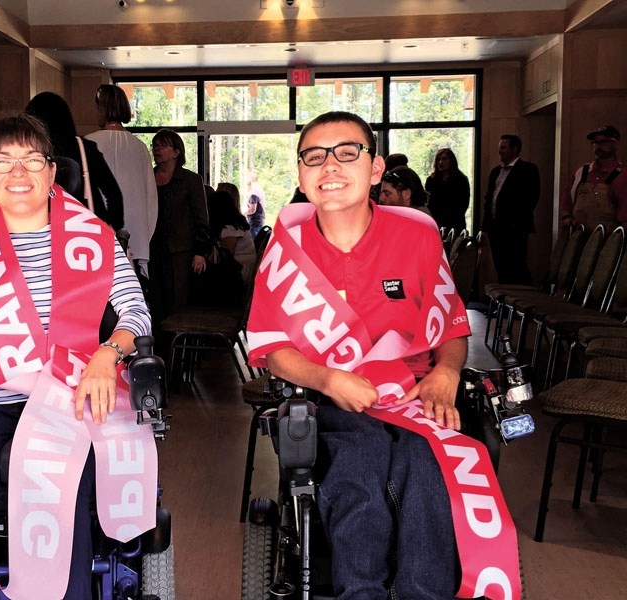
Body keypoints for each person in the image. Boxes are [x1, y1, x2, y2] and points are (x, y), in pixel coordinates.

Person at [247, 111, 518, 599]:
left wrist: (447, 373)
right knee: (361, 459)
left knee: (427, 463)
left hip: (417, 396)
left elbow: (453, 325)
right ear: (302, 176)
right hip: (332, 398)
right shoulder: (285, 248)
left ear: (374, 169)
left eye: (347, 152)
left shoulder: (416, 235)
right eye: (315, 156)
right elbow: (272, 350)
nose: (330, 166)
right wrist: (328, 380)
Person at [0, 114, 152, 599]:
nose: (17, 173)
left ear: (51, 172)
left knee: (64, 487)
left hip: (77, 396)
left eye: (31, 161)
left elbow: (136, 315)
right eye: (3, 161)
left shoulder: (96, 238)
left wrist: (108, 355)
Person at [25, 91, 124, 232]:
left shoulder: (29, 155)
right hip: (89, 231)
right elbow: (113, 193)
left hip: (46, 232)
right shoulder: (85, 148)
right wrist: (112, 227)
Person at [86, 84, 158, 277]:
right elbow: (151, 198)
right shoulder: (140, 147)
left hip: (96, 229)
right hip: (136, 230)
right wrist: (145, 235)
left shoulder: (88, 144)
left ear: (101, 109)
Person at [150, 128, 210, 323]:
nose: (157, 149)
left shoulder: (190, 180)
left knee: (178, 302)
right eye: (155, 145)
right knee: (155, 301)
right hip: (152, 250)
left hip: (180, 252)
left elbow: (201, 217)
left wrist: (200, 251)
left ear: (176, 152)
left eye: (163, 145)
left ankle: (180, 350)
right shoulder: (147, 177)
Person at [482, 134, 541, 285]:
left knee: (517, 267)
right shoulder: (496, 171)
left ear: (515, 149)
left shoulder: (528, 170)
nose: (500, 151)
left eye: (503, 148)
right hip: (496, 229)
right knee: (500, 267)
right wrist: (486, 225)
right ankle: (503, 302)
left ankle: (522, 301)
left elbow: (531, 198)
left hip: (515, 228)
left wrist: (514, 222)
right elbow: (489, 198)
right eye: (499, 148)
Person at [561, 125, 627, 232]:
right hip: (578, 238)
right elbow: (567, 198)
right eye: (595, 143)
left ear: (615, 144)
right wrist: (566, 217)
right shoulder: (581, 172)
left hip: (607, 241)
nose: (598, 146)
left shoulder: (622, 177)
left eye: (603, 142)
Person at [207, 190, 256, 284]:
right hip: (242, 269)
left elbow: (226, 257)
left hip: (240, 273)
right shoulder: (236, 224)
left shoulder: (231, 228)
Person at [425, 147, 470, 235]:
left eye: (444, 159)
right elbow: (428, 202)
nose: (440, 162)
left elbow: (463, 204)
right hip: (436, 221)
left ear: (451, 161)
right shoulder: (431, 180)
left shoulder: (461, 180)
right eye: (438, 160)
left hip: (455, 222)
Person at [244, 170, 266, 239]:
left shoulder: (253, 190)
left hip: (255, 222)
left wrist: (243, 214)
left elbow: (252, 209)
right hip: (259, 221)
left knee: (253, 244)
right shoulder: (258, 188)